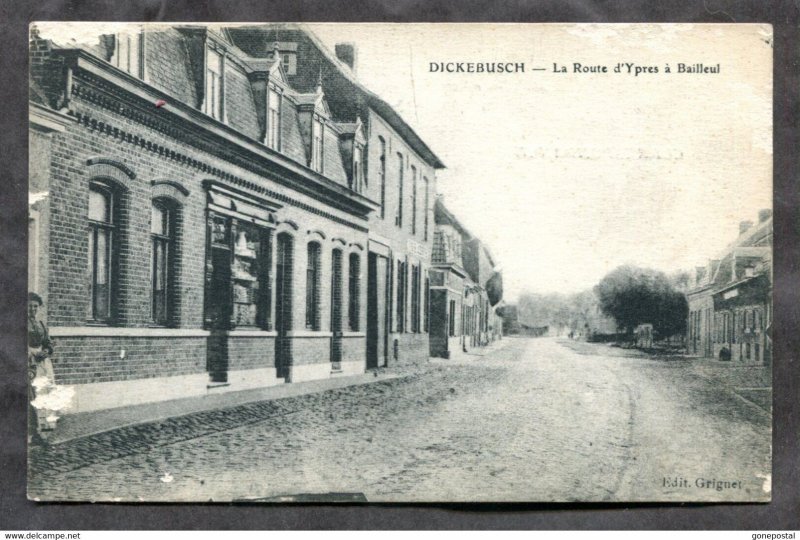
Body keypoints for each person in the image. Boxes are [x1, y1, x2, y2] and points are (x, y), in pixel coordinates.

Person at [28, 292, 55, 442]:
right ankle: (34, 429)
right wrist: (32, 353)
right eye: (30, 306)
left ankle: (45, 424)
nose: (32, 309)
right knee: (34, 393)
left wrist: (46, 351)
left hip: (43, 362)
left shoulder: (41, 324)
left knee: (46, 390)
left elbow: (48, 343)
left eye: (35, 306)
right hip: (30, 361)